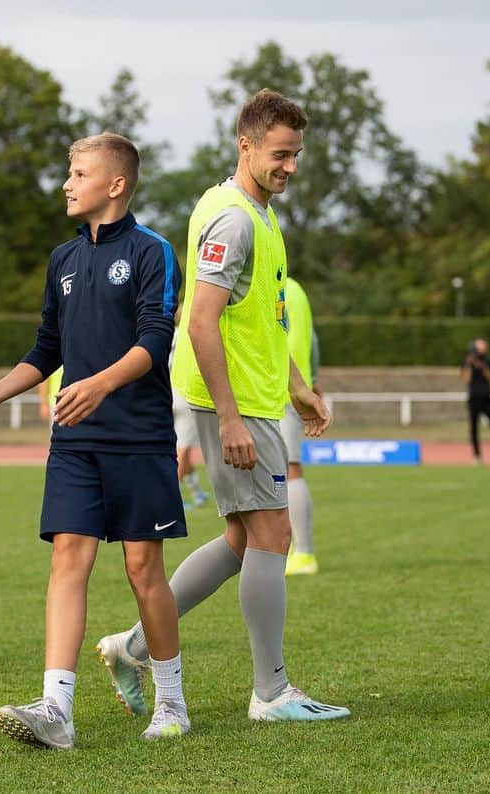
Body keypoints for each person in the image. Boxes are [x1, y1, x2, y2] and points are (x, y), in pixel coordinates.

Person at [96, 90, 350, 723]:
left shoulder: (260, 216)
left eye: (296, 155)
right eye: (280, 154)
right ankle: (271, 693)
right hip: (233, 404)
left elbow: (261, 317)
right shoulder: (234, 217)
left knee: (243, 538)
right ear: (246, 144)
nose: (290, 166)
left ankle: (131, 645)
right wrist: (232, 417)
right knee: (273, 533)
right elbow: (201, 321)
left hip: (259, 398)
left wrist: (296, 384)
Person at [0, 132, 190, 749]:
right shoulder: (63, 260)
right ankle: (57, 710)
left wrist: (100, 384)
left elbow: (157, 338)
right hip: (75, 440)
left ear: (116, 184)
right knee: (67, 558)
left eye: (79, 173)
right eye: (68, 172)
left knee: (143, 569)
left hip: (140, 438)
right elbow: (47, 348)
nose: (67, 183)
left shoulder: (154, 251)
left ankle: (172, 702)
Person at [281, 276, 322, 576]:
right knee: (284, 470)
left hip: (276, 391)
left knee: (289, 469)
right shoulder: (297, 289)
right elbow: (313, 341)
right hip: (295, 388)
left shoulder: (268, 284)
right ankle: (294, 549)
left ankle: (304, 552)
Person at [170, 327, 210, 510]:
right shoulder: (192, 332)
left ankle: (196, 491)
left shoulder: (168, 332)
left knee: (178, 449)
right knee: (183, 451)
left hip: (168, 392)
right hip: (186, 395)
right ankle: (171, 499)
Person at [462, 337, 490, 465]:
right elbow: (466, 378)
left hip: (487, 399)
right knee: (474, 429)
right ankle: (477, 457)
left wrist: (482, 366)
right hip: (473, 399)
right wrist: (469, 364)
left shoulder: (489, 361)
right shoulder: (468, 362)